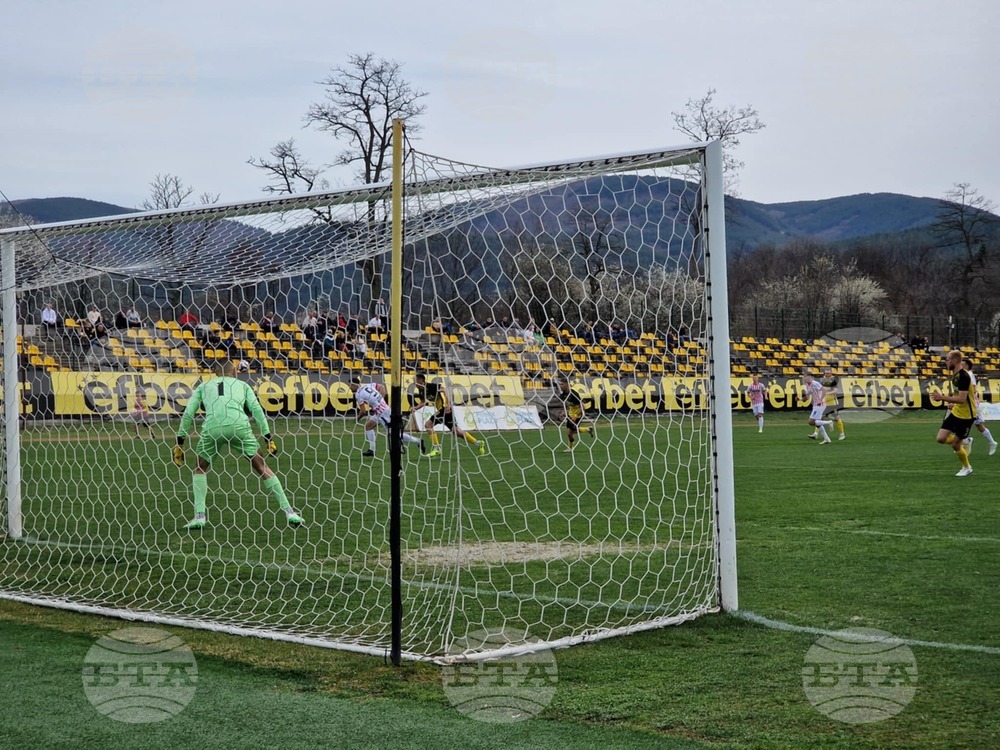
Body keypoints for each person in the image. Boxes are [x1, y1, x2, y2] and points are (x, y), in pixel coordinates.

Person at [173, 359, 302, 529]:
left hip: (213, 428)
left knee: (200, 467)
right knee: (262, 467)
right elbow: (256, 410)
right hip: (239, 427)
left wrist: (180, 442)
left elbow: (189, 412)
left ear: (216, 373)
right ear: (234, 372)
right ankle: (290, 512)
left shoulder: (204, 387)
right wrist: (268, 437)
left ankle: (199, 516)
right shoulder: (243, 385)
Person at [350, 377, 425, 457]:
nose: (350, 387)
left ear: (354, 385)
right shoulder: (368, 385)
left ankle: (418, 441)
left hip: (382, 413)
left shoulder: (358, 394)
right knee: (368, 427)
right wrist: (381, 400)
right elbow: (381, 387)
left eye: (350, 385)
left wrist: (357, 419)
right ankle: (372, 450)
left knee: (394, 433)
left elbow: (363, 412)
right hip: (381, 410)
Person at [930, 350, 976, 476]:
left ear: (955, 361)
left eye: (948, 360)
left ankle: (967, 467)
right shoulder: (955, 375)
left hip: (967, 415)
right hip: (956, 412)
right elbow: (958, 397)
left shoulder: (964, 377)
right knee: (940, 438)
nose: (946, 362)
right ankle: (966, 441)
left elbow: (962, 399)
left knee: (955, 444)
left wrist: (942, 398)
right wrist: (953, 403)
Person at [424, 376, 485, 457]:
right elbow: (422, 401)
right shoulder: (422, 391)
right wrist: (415, 408)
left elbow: (445, 389)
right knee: (456, 432)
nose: (414, 382)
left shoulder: (430, 386)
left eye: (415, 380)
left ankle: (437, 449)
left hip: (444, 410)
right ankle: (478, 443)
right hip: (441, 411)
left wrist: (448, 404)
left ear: (421, 380)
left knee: (428, 425)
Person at [962, 358, 997, 456]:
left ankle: (991, 442)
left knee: (978, 426)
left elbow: (972, 389)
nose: (961, 366)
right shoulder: (964, 375)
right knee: (964, 423)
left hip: (972, 404)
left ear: (967, 366)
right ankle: (966, 441)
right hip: (967, 404)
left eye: (963, 364)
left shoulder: (968, 374)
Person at [551, 376, 596, 451]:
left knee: (569, 432)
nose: (560, 386)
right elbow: (569, 405)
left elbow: (582, 407)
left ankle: (570, 448)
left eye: (562, 384)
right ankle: (587, 429)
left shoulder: (574, 394)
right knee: (571, 432)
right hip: (570, 415)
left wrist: (575, 416)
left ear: (567, 384)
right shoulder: (563, 395)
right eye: (560, 384)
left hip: (577, 415)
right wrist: (564, 412)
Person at [809, 368, 846, 441]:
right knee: (819, 418)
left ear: (831, 374)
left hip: (832, 403)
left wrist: (827, 393)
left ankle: (842, 434)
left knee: (837, 418)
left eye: (828, 373)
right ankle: (815, 434)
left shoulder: (833, 381)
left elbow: (835, 391)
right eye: (826, 373)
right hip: (823, 403)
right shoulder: (821, 381)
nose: (826, 374)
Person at [802, 370, 834, 444]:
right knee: (817, 424)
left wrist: (820, 399)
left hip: (820, 404)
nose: (803, 378)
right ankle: (827, 439)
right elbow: (807, 397)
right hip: (816, 405)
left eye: (804, 376)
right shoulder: (807, 385)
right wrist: (800, 399)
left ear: (809, 377)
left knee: (810, 422)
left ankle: (829, 422)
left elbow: (824, 391)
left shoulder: (815, 383)